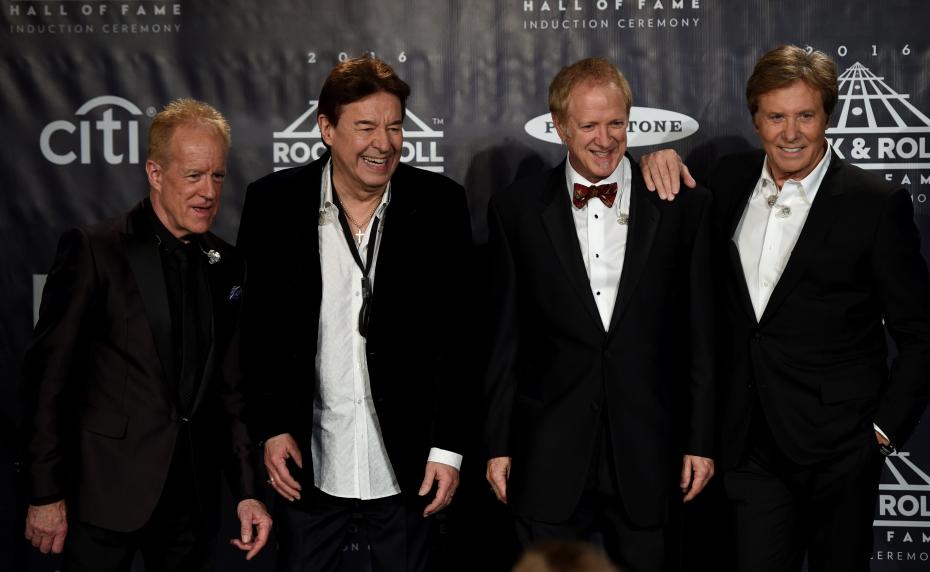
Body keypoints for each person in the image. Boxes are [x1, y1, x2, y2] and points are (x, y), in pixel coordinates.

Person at [641, 45, 930, 571]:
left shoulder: (873, 202)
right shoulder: (725, 180)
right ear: (756, 118)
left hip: (839, 450)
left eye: (805, 116)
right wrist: (657, 157)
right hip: (748, 447)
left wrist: (880, 434)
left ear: (827, 115)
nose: (791, 132)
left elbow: (923, 335)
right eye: (776, 116)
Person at [237, 56, 472, 571]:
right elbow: (257, 337)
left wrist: (448, 449)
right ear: (326, 129)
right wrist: (273, 427)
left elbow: (460, 341)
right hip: (309, 468)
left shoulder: (440, 204)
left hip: (411, 470)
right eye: (365, 126)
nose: (383, 143)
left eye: (394, 126)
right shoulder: (272, 204)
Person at [483, 57, 716, 571]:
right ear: (560, 126)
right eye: (588, 125)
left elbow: (701, 334)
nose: (605, 139)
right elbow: (504, 338)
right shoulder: (515, 209)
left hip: (650, 451)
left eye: (616, 123)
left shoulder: (680, 205)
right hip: (547, 449)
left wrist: (700, 441)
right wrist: (498, 444)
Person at [21, 98, 272, 570]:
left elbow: (231, 390)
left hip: (190, 502)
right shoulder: (95, 250)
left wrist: (246, 493)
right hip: (100, 496)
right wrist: (44, 492)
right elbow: (47, 381)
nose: (208, 192)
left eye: (217, 176)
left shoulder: (228, 265)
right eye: (193, 175)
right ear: (155, 174)